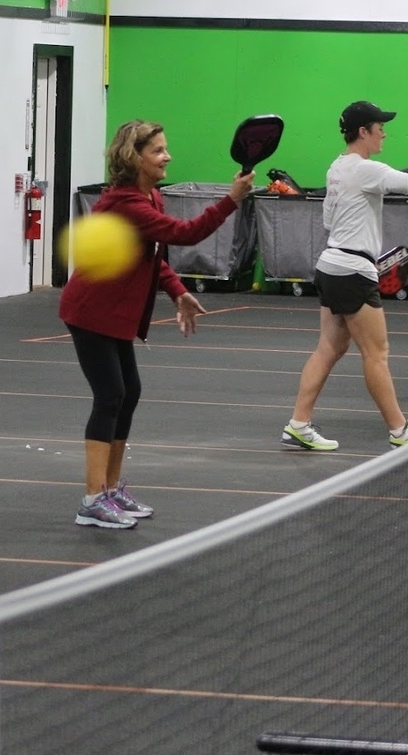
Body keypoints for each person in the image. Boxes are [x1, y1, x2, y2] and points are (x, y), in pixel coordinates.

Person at [60, 119, 254, 528]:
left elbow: (154, 256)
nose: (168, 156)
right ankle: (92, 499)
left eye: (166, 148)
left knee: (128, 392)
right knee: (111, 394)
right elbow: (184, 234)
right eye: (159, 151)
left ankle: (110, 490)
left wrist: (178, 291)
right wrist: (230, 200)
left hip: (114, 313)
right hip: (91, 311)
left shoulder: (150, 197)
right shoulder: (126, 203)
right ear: (135, 158)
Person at [280, 101, 408, 452]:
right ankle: (400, 430)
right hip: (352, 271)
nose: (384, 132)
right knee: (377, 352)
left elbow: (328, 221)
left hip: (333, 265)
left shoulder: (337, 168)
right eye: (379, 126)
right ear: (363, 132)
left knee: (331, 347)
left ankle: (298, 425)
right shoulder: (367, 169)